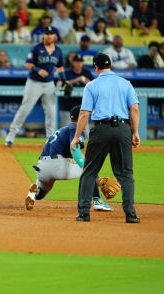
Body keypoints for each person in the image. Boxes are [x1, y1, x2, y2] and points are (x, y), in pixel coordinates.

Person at [70, 53, 141, 223]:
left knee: (89, 172)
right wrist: (135, 132)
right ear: (110, 66)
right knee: (126, 174)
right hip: (123, 129)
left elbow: (84, 113)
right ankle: (130, 214)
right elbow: (135, 109)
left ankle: (84, 213)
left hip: (101, 129)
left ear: (96, 67)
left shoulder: (91, 85)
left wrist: (76, 137)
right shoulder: (125, 84)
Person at [24, 105, 113, 211]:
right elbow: (74, 149)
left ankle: (33, 192)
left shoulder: (61, 130)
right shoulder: (75, 128)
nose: (87, 119)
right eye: (86, 116)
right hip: (58, 167)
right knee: (89, 169)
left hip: (41, 168)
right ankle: (97, 200)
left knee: (41, 194)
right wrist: (96, 177)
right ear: (80, 117)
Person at [5, 26, 68, 146]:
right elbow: (28, 63)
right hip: (34, 83)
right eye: (47, 33)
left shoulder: (58, 51)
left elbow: (60, 67)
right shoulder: (36, 48)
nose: (49, 36)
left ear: (54, 36)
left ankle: (50, 139)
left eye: (51, 33)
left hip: (49, 84)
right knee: (25, 109)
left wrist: (64, 80)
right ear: (43, 35)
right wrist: (38, 70)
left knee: (51, 112)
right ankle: (11, 135)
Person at [59, 54, 93, 127]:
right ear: (73, 63)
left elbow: (94, 86)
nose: (78, 64)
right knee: (67, 129)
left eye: (80, 62)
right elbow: (59, 84)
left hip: (82, 107)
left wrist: (85, 80)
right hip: (67, 106)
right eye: (77, 62)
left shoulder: (86, 72)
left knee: (86, 131)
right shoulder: (67, 72)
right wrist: (77, 79)